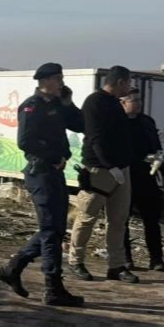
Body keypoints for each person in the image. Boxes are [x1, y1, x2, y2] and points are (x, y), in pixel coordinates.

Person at [0, 62, 85, 307]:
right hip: (41, 172)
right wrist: (53, 156)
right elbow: (25, 141)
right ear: (44, 81)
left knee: (55, 229)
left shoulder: (56, 104)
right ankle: (53, 287)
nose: (61, 83)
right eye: (58, 79)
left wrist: (69, 104)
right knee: (50, 231)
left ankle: (13, 267)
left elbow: (81, 125)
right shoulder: (32, 106)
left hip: (54, 173)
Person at [68, 66, 138, 283]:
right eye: (128, 83)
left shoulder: (115, 103)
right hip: (99, 169)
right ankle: (75, 261)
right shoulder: (95, 102)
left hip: (121, 170)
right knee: (87, 217)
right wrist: (109, 166)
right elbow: (95, 137)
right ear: (120, 82)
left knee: (118, 220)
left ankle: (116, 265)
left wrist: (123, 165)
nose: (129, 87)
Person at [121, 88, 164, 272]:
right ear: (123, 103)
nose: (139, 104)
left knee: (152, 218)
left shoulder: (147, 122)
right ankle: (125, 259)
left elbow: (157, 148)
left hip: (147, 176)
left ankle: (156, 259)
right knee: (122, 219)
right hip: (125, 176)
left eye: (139, 100)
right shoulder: (117, 122)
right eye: (134, 100)